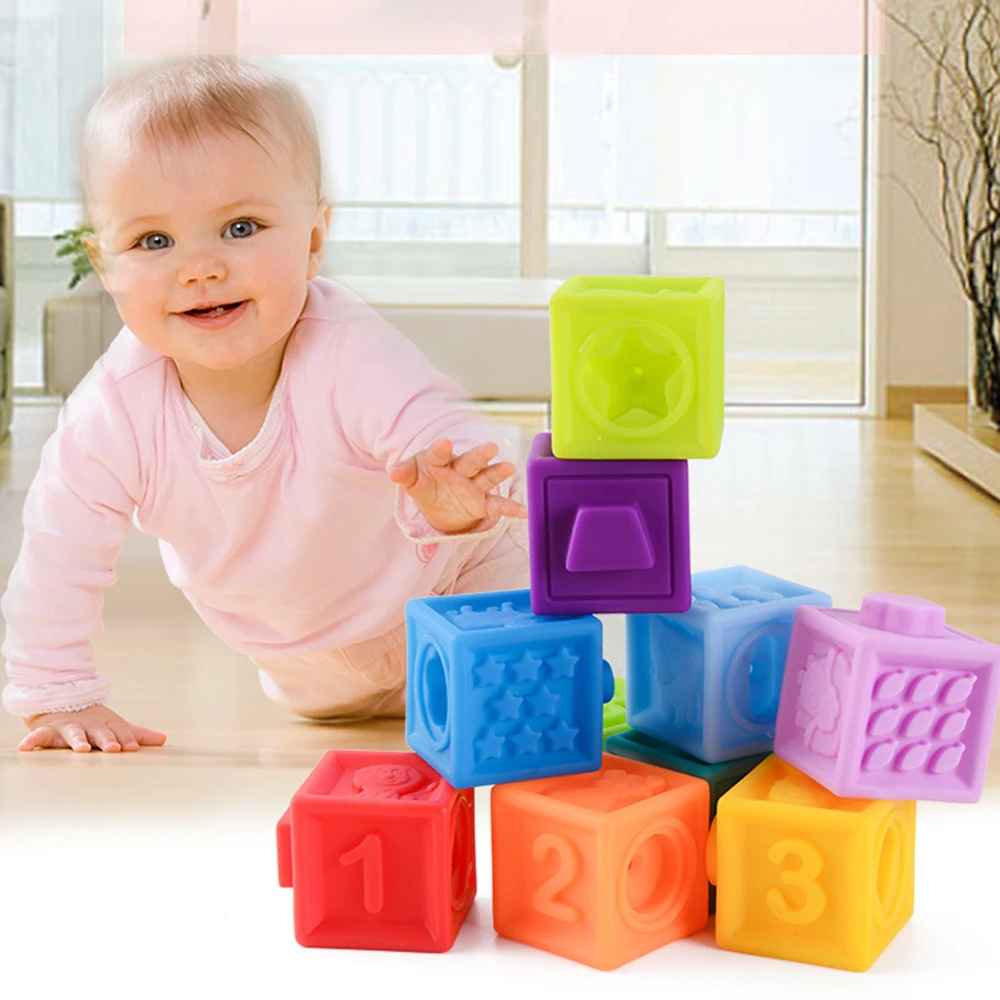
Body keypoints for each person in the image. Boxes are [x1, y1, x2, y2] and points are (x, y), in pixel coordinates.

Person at [0, 56, 529, 752]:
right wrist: (58, 695)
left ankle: (524, 694)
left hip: (450, 583)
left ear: (313, 240)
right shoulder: (114, 412)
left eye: (241, 227)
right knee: (342, 722)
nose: (200, 267)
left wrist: (451, 493)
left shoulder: (345, 349)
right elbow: (58, 551)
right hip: (307, 667)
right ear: (107, 266)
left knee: (510, 616)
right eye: (154, 241)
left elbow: (432, 426)